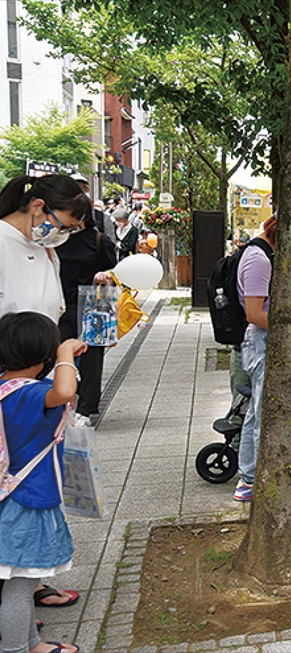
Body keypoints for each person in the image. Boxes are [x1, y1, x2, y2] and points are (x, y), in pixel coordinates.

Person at [0, 311, 85, 653]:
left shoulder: (5, 387)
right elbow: (64, 391)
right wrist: (65, 354)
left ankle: (32, 643)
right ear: (43, 357)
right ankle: (17, 649)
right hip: (27, 501)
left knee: (20, 579)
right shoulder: (30, 395)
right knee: (21, 587)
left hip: (8, 496)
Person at [55, 206, 117, 423]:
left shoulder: (99, 241)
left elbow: (115, 272)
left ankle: (86, 409)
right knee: (58, 354)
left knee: (91, 358)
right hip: (60, 306)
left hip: (93, 306)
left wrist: (106, 276)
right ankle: (64, 398)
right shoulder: (53, 240)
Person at [231, 217, 276, 503]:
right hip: (259, 340)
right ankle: (257, 480)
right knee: (261, 413)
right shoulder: (259, 260)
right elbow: (255, 313)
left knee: (255, 412)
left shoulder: (256, 253)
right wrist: (286, 329)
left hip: (258, 340)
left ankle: (248, 477)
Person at [0, 175, 89, 320]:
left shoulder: (44, 248)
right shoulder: (4, 241)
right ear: (37, 207)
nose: (62, 234)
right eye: (63, 227)